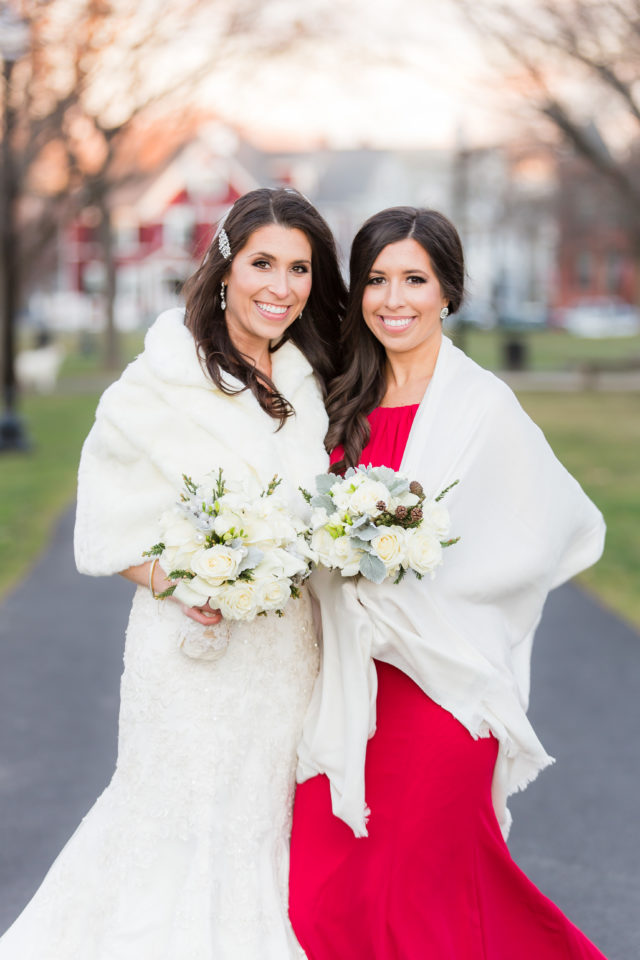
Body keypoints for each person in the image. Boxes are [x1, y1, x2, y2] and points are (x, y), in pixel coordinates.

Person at [0, 187, 346, 959]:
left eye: (299, 269)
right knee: (177, 830)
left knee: (264, 831)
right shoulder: (158, 383)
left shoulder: (309, 381)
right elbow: (105, 526)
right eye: (263, 263)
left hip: (290, 658)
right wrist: (187, 582)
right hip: (194, 659)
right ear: (224, 268)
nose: (280, 287)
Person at [290, 206, 609, 959]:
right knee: (320, 895)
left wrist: (420, 563)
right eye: (375, 279)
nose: (393, 300)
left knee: (413, 895)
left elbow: (553, 531)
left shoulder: (481, 405)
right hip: (344, 685)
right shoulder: (337, 400)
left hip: (440, 689)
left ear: (448, 290)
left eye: (414, 279)